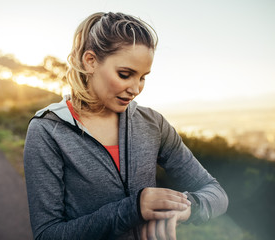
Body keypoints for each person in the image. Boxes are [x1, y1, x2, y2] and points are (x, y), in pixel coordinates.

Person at [23, 12, 228, 240]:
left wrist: (186, 208)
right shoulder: (47, 131)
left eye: (142, 77)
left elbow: (215, 192)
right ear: (90, 61)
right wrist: (133, 209)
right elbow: (47, 234)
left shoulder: (153, 124)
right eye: (125, 74)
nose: (136, 88)